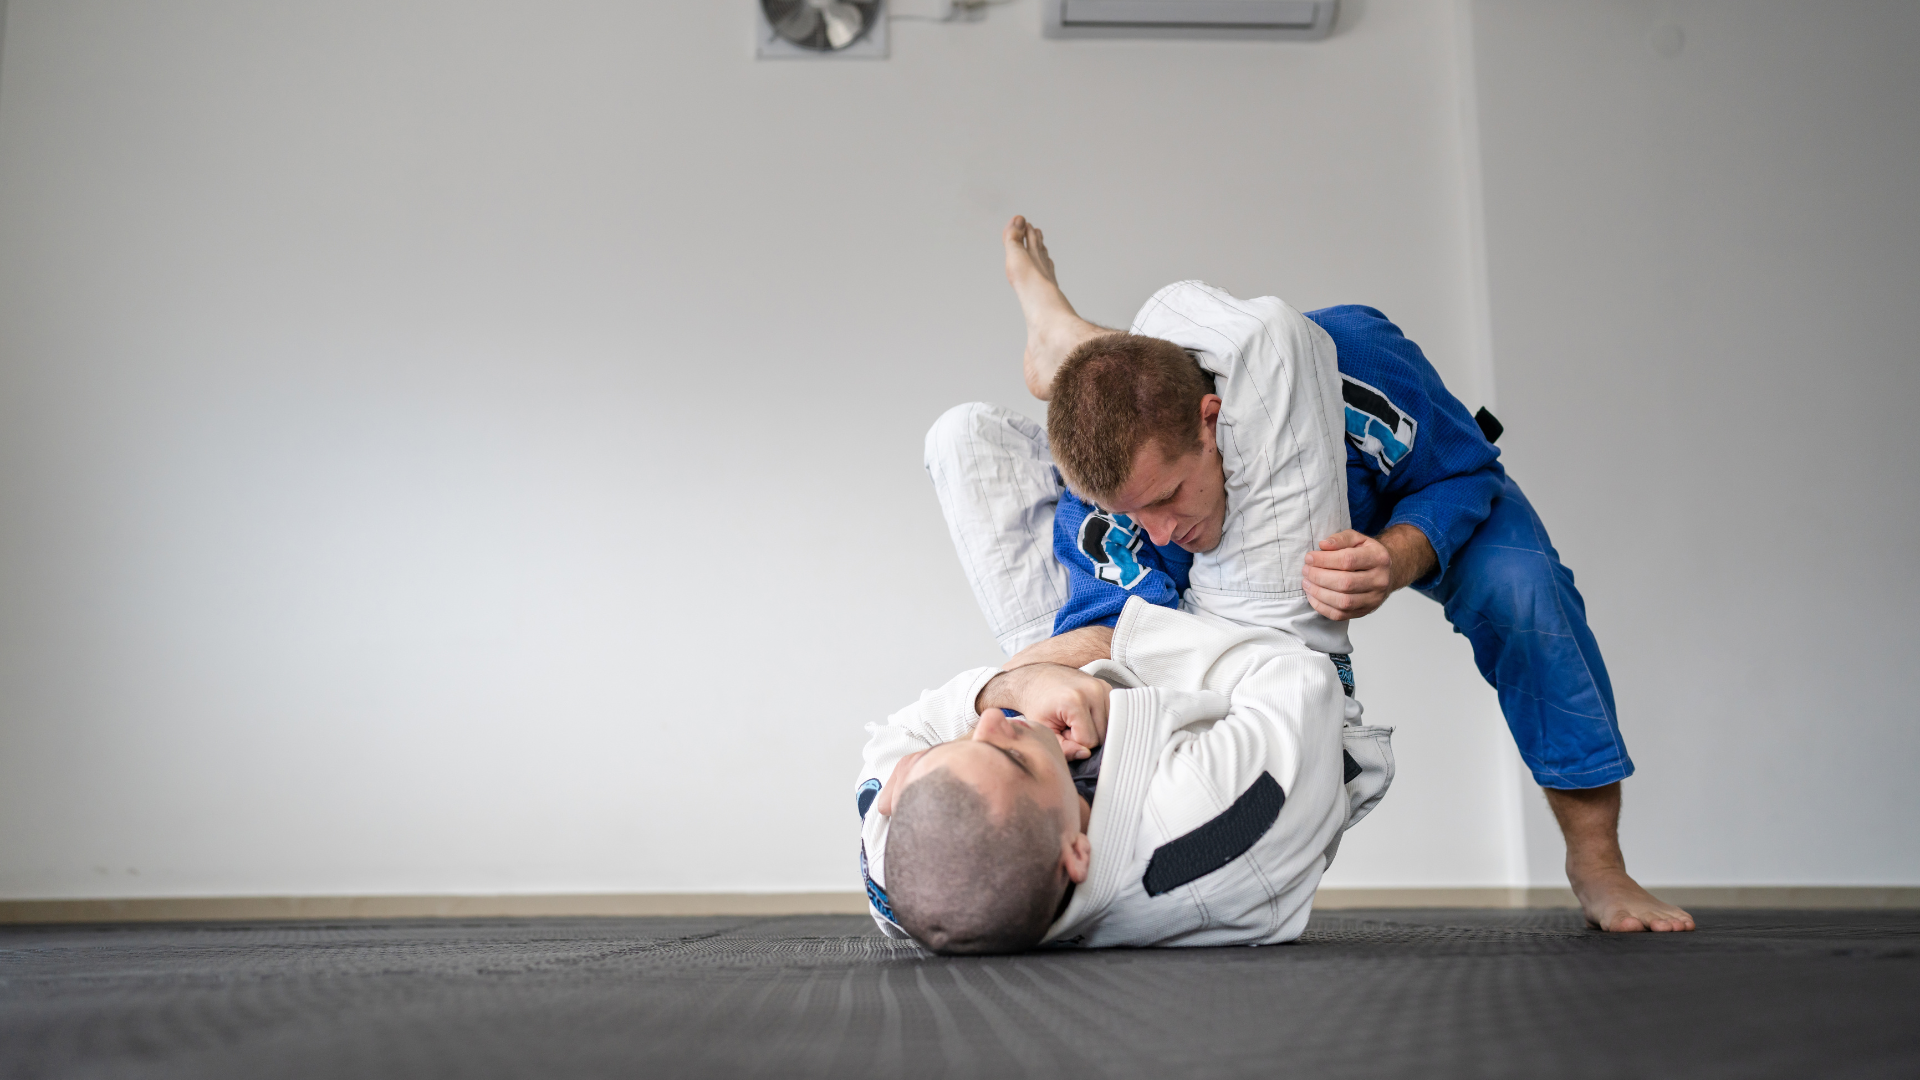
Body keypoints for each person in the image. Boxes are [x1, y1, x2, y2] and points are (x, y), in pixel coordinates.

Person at [921, 215, 1692, 934]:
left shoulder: (1357, 355)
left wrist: (1396, 555)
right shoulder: (1110, 510)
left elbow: (1464, 472)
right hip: (1241, 559)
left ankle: (1600, 865)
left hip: (1402, 500)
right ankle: (1073, 350)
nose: (1158, 529)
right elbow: (1130, 638)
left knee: (1526, 591)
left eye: (1168, 495)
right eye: (1135, 514)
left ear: (1212, 417)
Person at [855, 595, 1394, 953]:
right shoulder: (1204, 808)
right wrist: (1104, 652)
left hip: (1109, 667)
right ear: (1077, 854)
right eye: (1012, 757)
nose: (991, 723)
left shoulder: (905, 876)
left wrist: (1021, 683)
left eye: (962, 748)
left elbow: (899, 734)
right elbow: (1299, 674)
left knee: (966, 439)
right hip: (1260, 657)